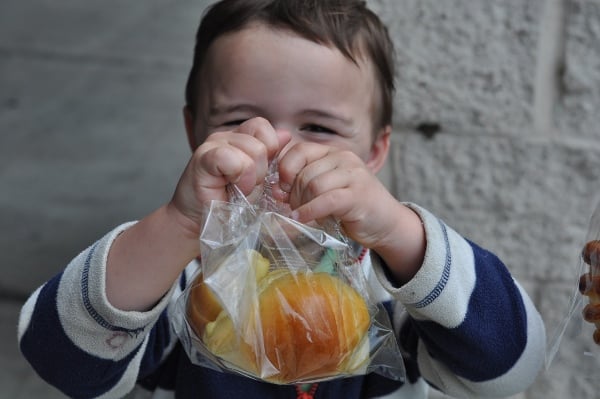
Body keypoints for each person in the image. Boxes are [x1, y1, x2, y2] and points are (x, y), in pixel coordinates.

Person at [17, 0, 546, 398]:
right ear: (193, 132)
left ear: (376, 149)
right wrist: (178, 226)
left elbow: (512, 366)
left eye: (318, 126)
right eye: (236, 122)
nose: (277, 149)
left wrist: (400, 232)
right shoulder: (183, 280)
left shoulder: (396, 287)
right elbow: (60, 360)